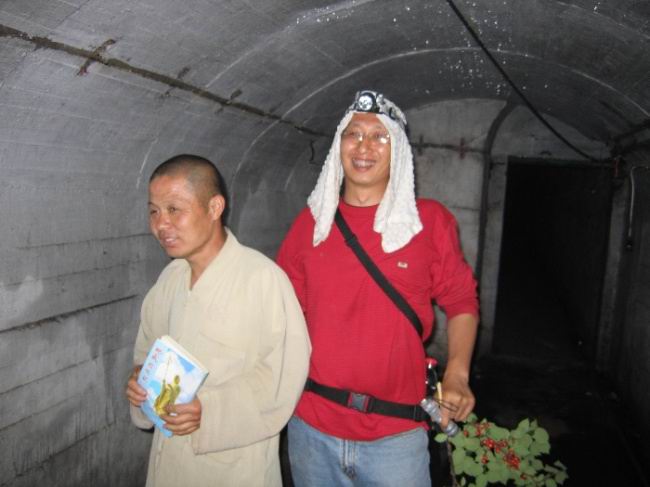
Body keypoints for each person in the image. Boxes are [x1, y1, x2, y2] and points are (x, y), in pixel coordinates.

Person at [277, 90, 479, 486]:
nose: (364, 146)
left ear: (398, 150)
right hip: (312, 428)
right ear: (339, 145)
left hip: (395, 436)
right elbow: (279, 314)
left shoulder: (428, 222)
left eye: (380, 136)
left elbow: (461, 301)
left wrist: (457, 373)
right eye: (353, 134)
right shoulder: (311, 224)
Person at [125, 154, 311, 487]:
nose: (161, 224)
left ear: (214, 207)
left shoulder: (262, 279)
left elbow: (283, 377)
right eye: (154, 211)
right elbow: (146, 353)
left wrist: (209, 411)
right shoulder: (169, 280)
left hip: (233, 469)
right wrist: (140, 380)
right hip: (169, 463)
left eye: (174, 209)